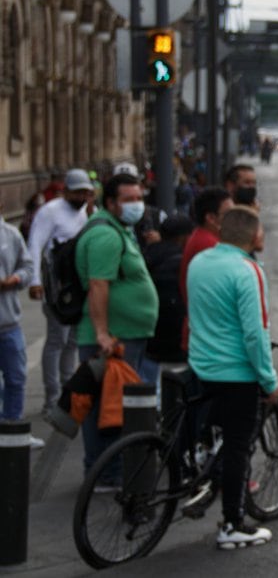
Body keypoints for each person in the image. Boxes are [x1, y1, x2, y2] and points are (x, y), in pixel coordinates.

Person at [186, 206, 277, 549]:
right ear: (254, 236)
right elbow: (255, 333)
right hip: (237, 374)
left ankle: (200, 477)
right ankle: (232, 524)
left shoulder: (199, 262)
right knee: (239, 446)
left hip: (202, 366)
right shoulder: (247, 270)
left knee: (213, 435)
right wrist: (269, 381)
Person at [76, 173, 160, 485]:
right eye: (128, 200)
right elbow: (99, 284)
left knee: (115, 402)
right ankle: (104, 473)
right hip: (112, 337)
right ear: (110, 202)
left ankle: (109, 469)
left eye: (139, 198)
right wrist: (102, 333)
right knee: (105, 404)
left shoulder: (118, 230)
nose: (136, 205)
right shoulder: (105, 236)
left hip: (126, 335)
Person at [26, 169, 93, 419]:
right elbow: (35, 244)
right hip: (57, 289)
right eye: (78, 192)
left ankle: (67, 393)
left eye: (85, 193)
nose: (82, 197)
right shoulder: (50, 211)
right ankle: (52, 398)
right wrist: (34, 280)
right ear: (66, 191)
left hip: (77, 288)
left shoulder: (85, 211)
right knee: (57, 341)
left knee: (73, 342)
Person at [0, 202, 37, 447]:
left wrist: (16, 279)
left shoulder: (10, 234)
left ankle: (13, 430)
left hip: (8, 324)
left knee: (16, 378)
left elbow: (27, 266)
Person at [144, 213, 194, 365]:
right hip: (174, 342)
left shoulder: (146, 254)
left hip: (148, 336)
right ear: (184, 238)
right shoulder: (181, 263)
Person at [181, 187, 233, 304]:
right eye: (229, 214)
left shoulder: (202, 237)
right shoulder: (209, 246)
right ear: (211, 218)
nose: (234, 218)